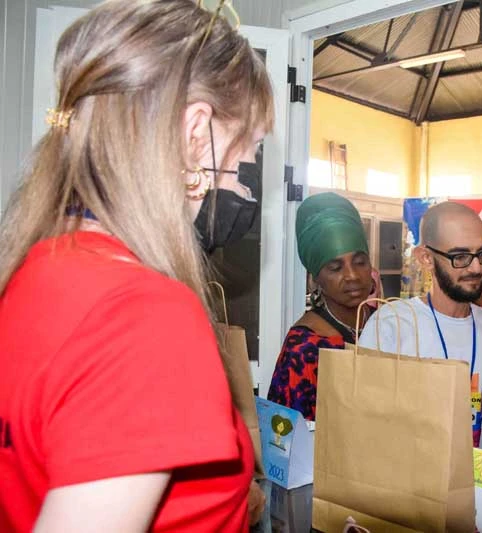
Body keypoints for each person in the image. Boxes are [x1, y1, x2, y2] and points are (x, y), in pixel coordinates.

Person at [0, 1, 272, 531]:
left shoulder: (33, 270)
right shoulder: (147, 313)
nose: (243, 178)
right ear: (197, 130)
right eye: (250, 150)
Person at [358, 202, 482, 449]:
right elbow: (366, 424)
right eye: (460, 257)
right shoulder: (391, 326)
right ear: (426, 259)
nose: (476, 268)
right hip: (408, 482)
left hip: (479, 483)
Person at [268, 192, 374, 421]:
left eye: (360, 262)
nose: (352, 276)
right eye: (335, 268)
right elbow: (284, 439)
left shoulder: (388, 325)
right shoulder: (304, 347)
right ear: (314, 279)